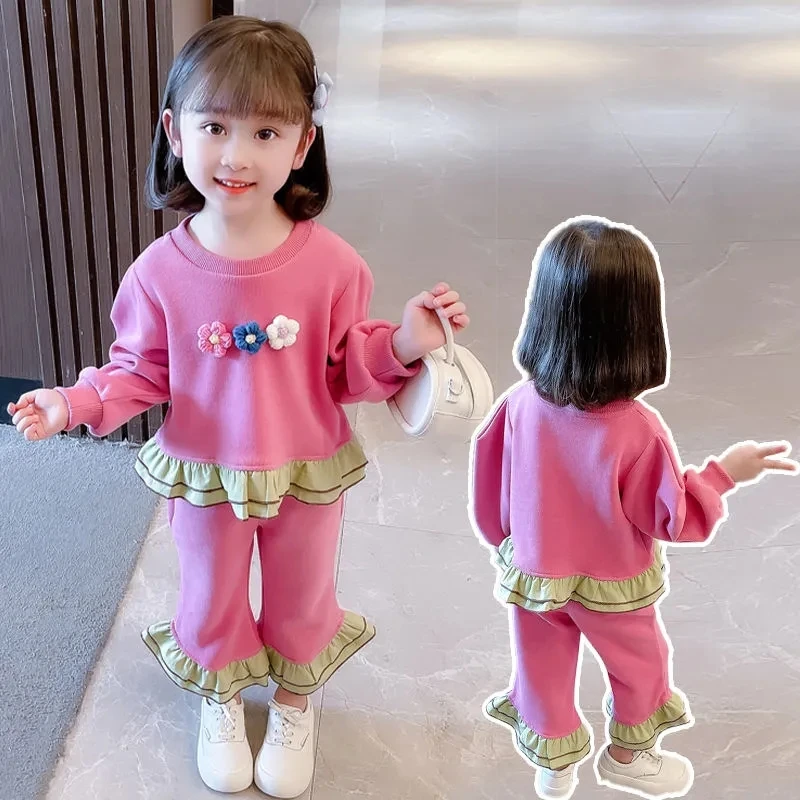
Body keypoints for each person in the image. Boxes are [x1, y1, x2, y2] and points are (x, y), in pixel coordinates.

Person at [7, 17, 469, 798]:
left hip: (307, 469)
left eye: (265, 131)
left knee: (302, 594)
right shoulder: (159, 272)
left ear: (303, 143)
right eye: (215, 126)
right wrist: (72, 403)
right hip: (204, 475)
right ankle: (219, 698)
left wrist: (405, 343)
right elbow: (141, 370)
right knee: (209, 596)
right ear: (174, 132)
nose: (237, 154)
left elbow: (346, 367)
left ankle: (293, 702)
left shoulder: (334, 266)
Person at [468, 215, 797, 800]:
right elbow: (672, 517)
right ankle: (627, 756)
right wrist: (724, 473)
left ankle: (553, 766)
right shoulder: (637, 430)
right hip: (613, 585)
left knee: (541, 665)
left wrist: (511, 545)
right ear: (637, 328)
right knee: (641, 665)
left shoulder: (518, 404)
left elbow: (490, 486)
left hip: (535, 573)